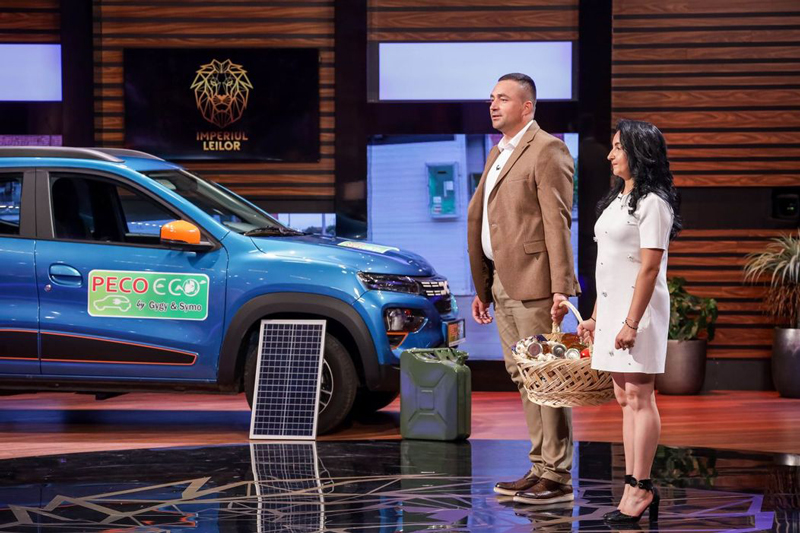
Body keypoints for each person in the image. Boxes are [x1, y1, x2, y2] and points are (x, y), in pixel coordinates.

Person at [467, 73, 580, 505]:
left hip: (535, 283)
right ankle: (539, 467)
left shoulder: (548, 149)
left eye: (503, 99)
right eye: (491, 98)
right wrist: (483, 285)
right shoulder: (499, 151)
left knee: (547, 377)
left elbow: (557, 222)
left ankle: (557, 474)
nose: (493, 105)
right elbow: (488, 221)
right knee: (524, 375)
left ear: (527, 107)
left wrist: (561, 288)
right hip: (501, 281)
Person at [577, 119, 681, 524]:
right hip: (613, 311)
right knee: (624, 400)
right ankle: (631, 485)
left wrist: (631, 323)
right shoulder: (619, 199)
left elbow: (649, 268)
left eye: (618, 147)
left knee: (640, 397)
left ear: (639, 152)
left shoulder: (654, 202)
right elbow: (608, 266)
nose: (610, 155)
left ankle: (641, 487)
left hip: (639, 313)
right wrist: (595, 317)